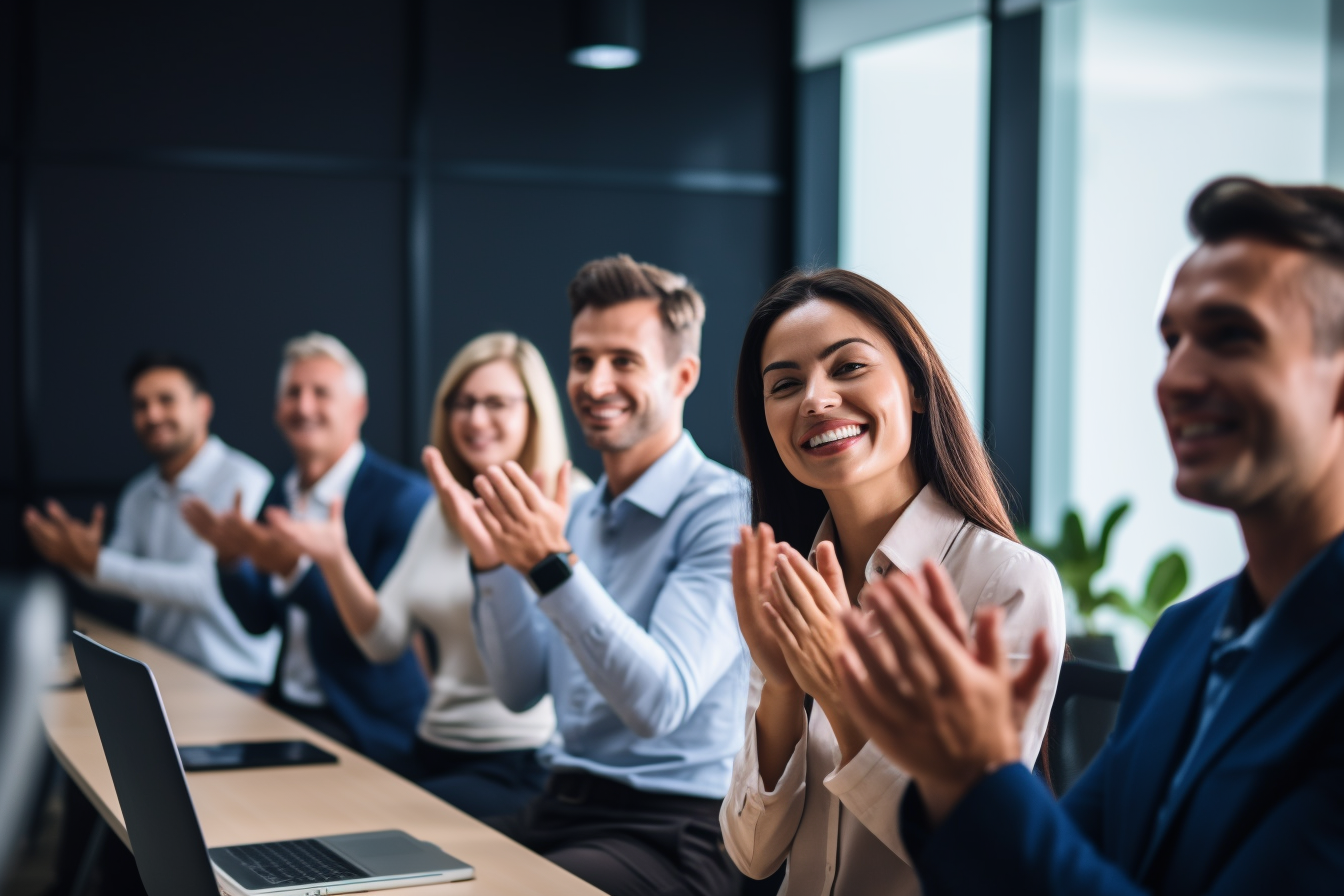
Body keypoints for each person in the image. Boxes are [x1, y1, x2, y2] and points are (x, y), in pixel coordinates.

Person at [833, 176, 1344, 895]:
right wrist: (954, 777)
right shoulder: (1185, 637)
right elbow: (1063, 859)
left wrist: (975, 779)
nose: (1177, 377)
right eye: (1172, 340)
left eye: (1233, 336)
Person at [719, 269, 1064, 895]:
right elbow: (752, 854)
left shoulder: (1005, 583)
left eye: (847, 368)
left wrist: (841, 692)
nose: (815, 400)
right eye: (785, 385)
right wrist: (780, 688)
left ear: (917, 388)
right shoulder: (792, 580)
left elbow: (972, 853)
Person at [433, 255, 749, 896]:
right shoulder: (572, 512)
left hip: (676, 831)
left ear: (682, 375)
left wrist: (552, 566)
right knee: (401, 865)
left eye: (624, 361)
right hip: (563, 804)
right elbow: (519, 690)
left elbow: (658, 704)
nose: (595, 382)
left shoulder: (727, 510)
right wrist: (493, 563)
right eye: (582, 360)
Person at [263, 332, 580, 819]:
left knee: (363, 828)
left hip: (520, 763)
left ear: (533, 412)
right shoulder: (440, 510)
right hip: (431, 749)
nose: (475, 418)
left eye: (496, 402)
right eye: (462, 402)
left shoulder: (569, 504)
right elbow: (383, 640)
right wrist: (334, 558)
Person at [184, 332, 431, 771]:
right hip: (288, 707)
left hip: (365, 721)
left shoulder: (404, 499)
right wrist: (231, 561)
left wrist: (293, 571)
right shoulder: (279, 494)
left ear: (359, 408)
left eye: (321, 393)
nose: (304, 406)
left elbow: (374, 635)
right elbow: (258, 621)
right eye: (292, 393)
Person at [23, 351, 278, 688]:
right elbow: (118, 578)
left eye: (166, 400)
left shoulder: (245, 480)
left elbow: (206, 588)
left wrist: (96, 564)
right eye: (140, 405)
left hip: (231, 678)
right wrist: (77, 560)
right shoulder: (138, 493)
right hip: (156, 670)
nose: (152, 415)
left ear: (204, 408)